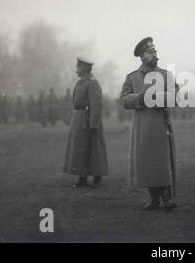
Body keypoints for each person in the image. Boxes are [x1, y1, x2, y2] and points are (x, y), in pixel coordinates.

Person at [120, 37, 178, 211]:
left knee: (162, 160)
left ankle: (167, 197)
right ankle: (153, 197)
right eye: (150, 52)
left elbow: (175, 95)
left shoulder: (165, 75)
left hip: (160, 123)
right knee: (146, 161)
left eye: (155, 51)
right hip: (142, 125)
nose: (154, 55)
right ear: (142, 56)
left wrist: (157, 97)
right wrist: (140, 98)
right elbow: (123, 100)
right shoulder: (132, 78)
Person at [63, 57, 108, 188]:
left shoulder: (92, 83)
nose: (76, 69)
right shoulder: (81, 82)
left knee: (93, 149)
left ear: (84, 68)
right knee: (79, 149)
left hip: (88, 120)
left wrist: (93, 124)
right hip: (79, 119)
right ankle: (81, 177)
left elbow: (96, 105)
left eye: (78, 67)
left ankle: (96, 177)